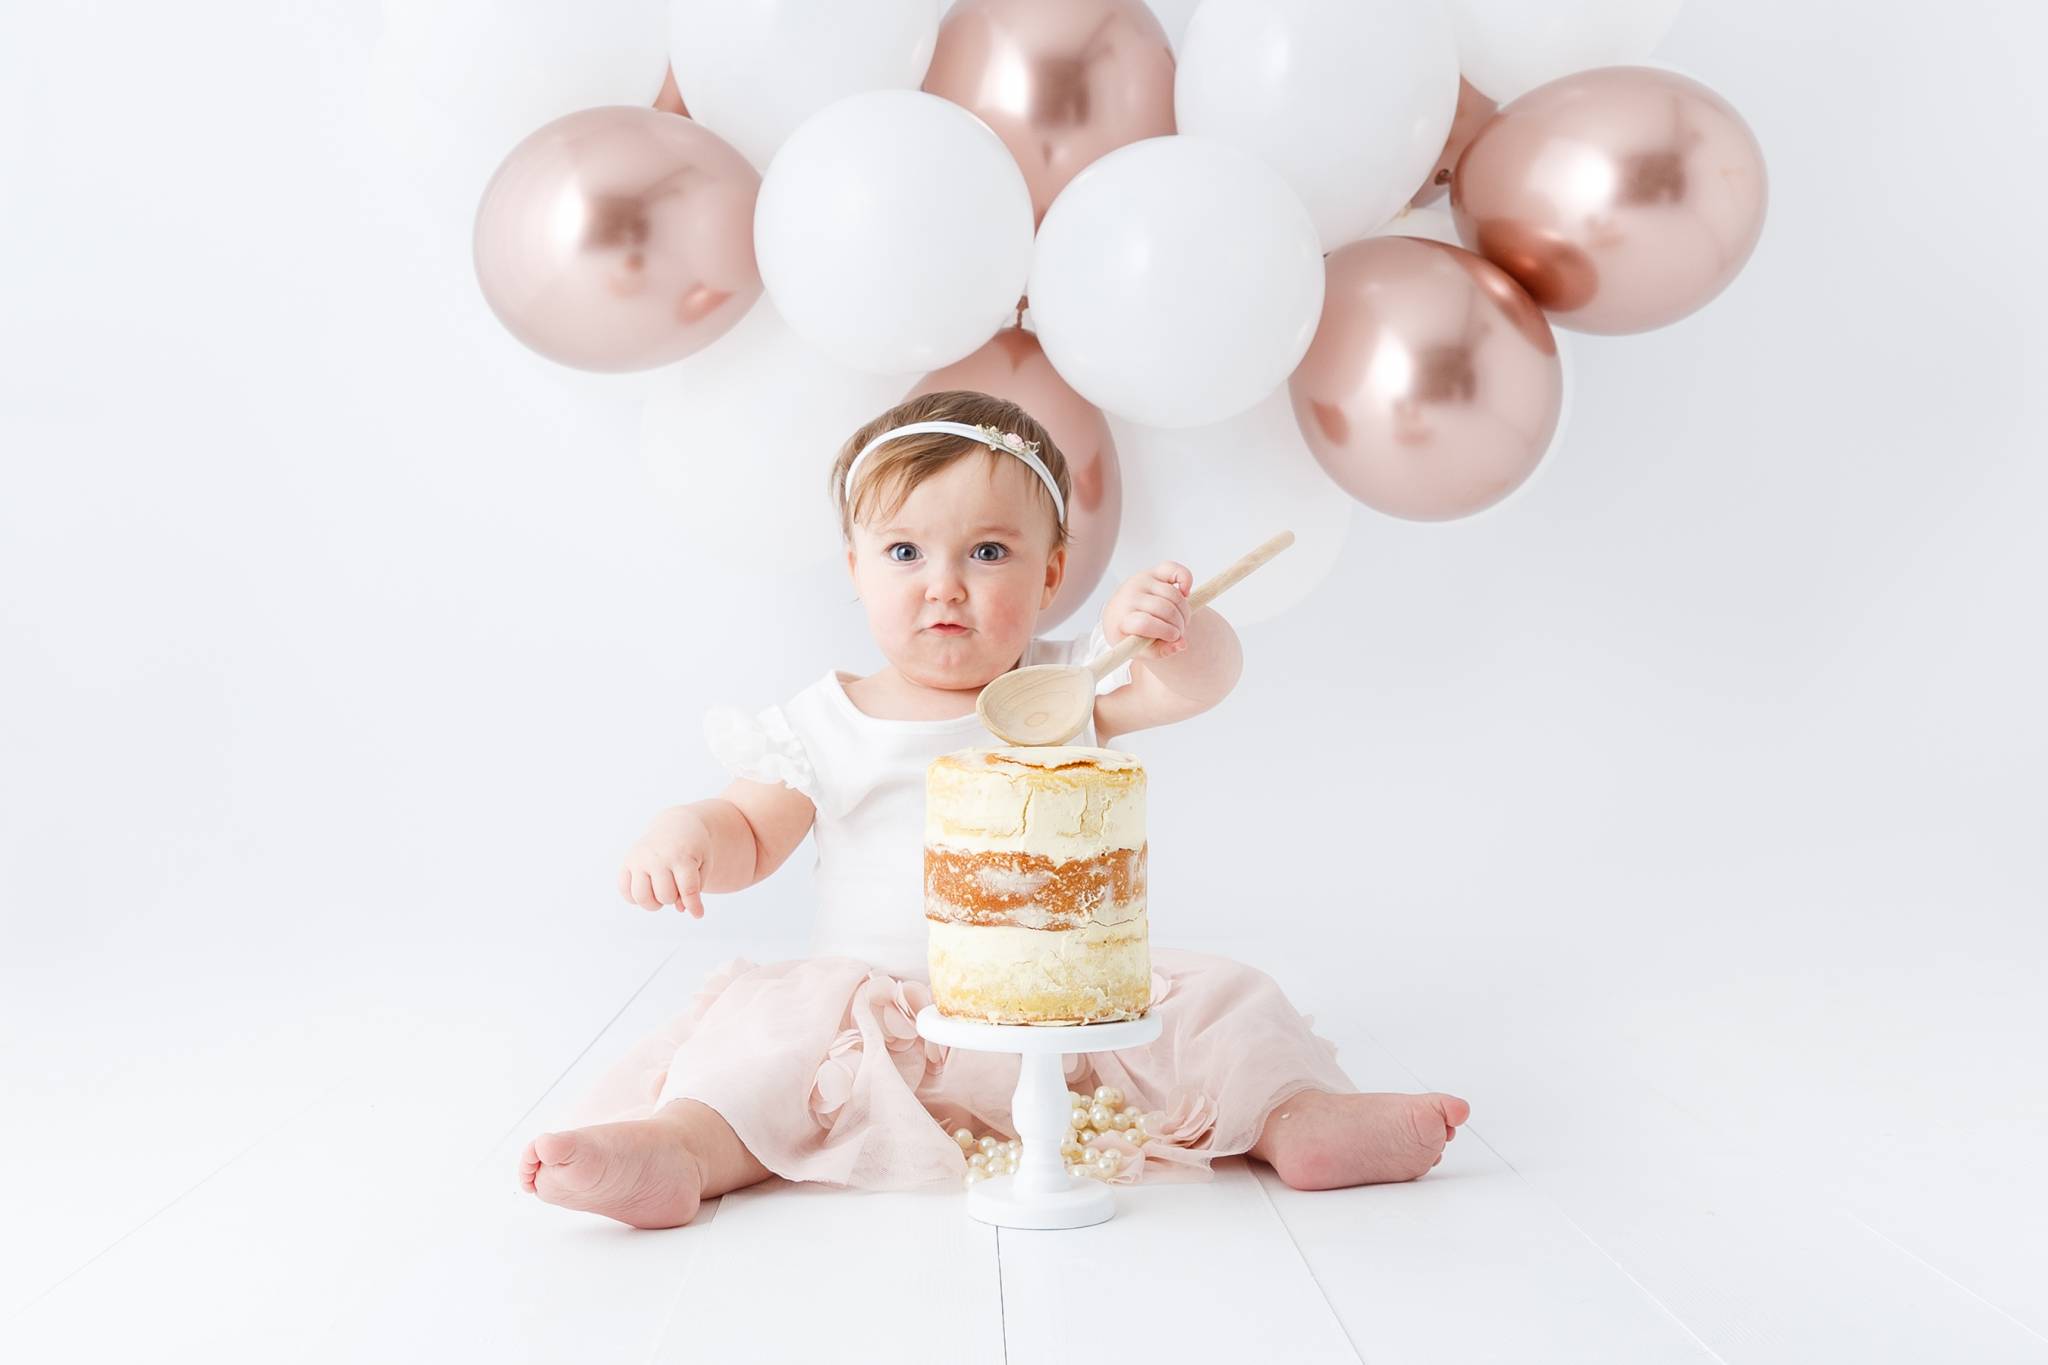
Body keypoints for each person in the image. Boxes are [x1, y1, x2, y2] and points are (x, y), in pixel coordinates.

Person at [519, 389, 1469, 1229]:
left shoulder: (1069, 687)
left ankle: (1297, 1119)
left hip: (1063, 1012)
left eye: (987, 551)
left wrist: (1178, 634)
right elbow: (750, 828)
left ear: (1051, 574)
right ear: (854, 566)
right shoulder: (828, 721)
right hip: (879, 1017)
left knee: (1227, 999)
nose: (944, 582)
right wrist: (688, 834)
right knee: (761, 1044)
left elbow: (1194, 688)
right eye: (904, 550)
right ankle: (679, 1151)